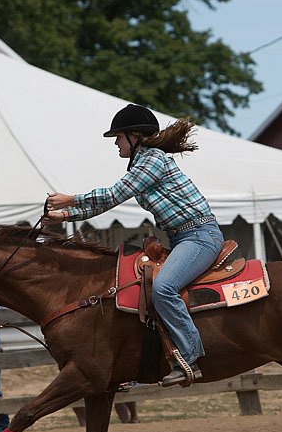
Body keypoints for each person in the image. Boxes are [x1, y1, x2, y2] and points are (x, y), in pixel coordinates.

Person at [44, 104, 224, 386]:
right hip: (184, 238)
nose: (115, 142)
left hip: (199, 236)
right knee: (142, 288)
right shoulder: (146, 162)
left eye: (118, 136)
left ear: (135, 136)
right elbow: (108, 201)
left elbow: (114, 194)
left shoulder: (153, 160)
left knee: (163, 288)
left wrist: (71, 200)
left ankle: (190, 357)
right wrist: (65, 216)